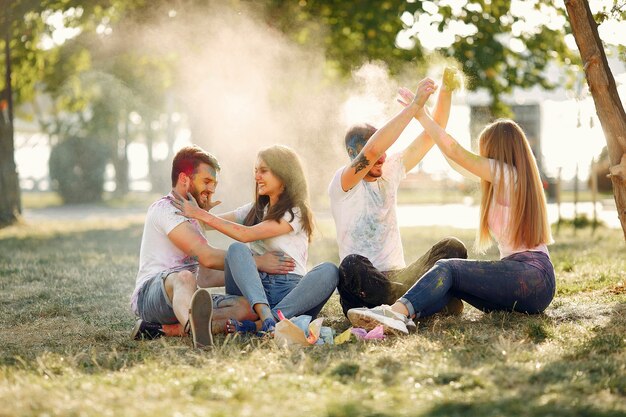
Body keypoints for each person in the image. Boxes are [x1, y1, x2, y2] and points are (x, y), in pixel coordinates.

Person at [347, 83, 555, 334]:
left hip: (531, 275)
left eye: (484, 153)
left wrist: (421, 114)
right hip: (527, 284)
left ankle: (394, 313)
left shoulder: (508, 173)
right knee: (448, 281)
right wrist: (438, 105)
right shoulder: (507, 179)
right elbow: (454, 159)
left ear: (499, 151)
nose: (481, 158)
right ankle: (409, 314)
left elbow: (456, 152)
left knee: (448, 267)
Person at [329, 75, 468, 318]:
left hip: (398, 278)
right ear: (353, 153)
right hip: (363, 288)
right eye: (377, 152)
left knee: (452, 247)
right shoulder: (343, 183)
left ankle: (412, 303)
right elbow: (371, 150)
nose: (382, 157)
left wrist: (445, 90)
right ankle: (423, 301)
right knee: (351, 265)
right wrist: (414, 105)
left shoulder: (391, 171)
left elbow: (432, 135)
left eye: (385, 151)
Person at [130, 145, 290, 347]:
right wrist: (256, 262)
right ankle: (196, 331)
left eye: (214, 183)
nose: (212, 190)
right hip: (152, 297)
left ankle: (162, 330)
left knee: (247, 307)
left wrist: (250, 276)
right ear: (184, 179)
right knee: (184, 277)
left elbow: (204, 276)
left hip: (187, 296)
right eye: (206, 181)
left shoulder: (193, 215)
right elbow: (206, 257)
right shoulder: (165, 209)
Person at [172, 145, 339, 334]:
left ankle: (264, 322)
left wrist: (201, 214)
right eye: (256, 171)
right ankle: (267, 317)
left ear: (283, 174)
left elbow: (246, 234)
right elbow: (207, 224)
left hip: (290, 294)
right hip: (252, 291)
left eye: (263, 171)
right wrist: (202, 209)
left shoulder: (296, 211)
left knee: (329, 270)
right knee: (236, 250)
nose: (257, 176)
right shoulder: (254, 209)